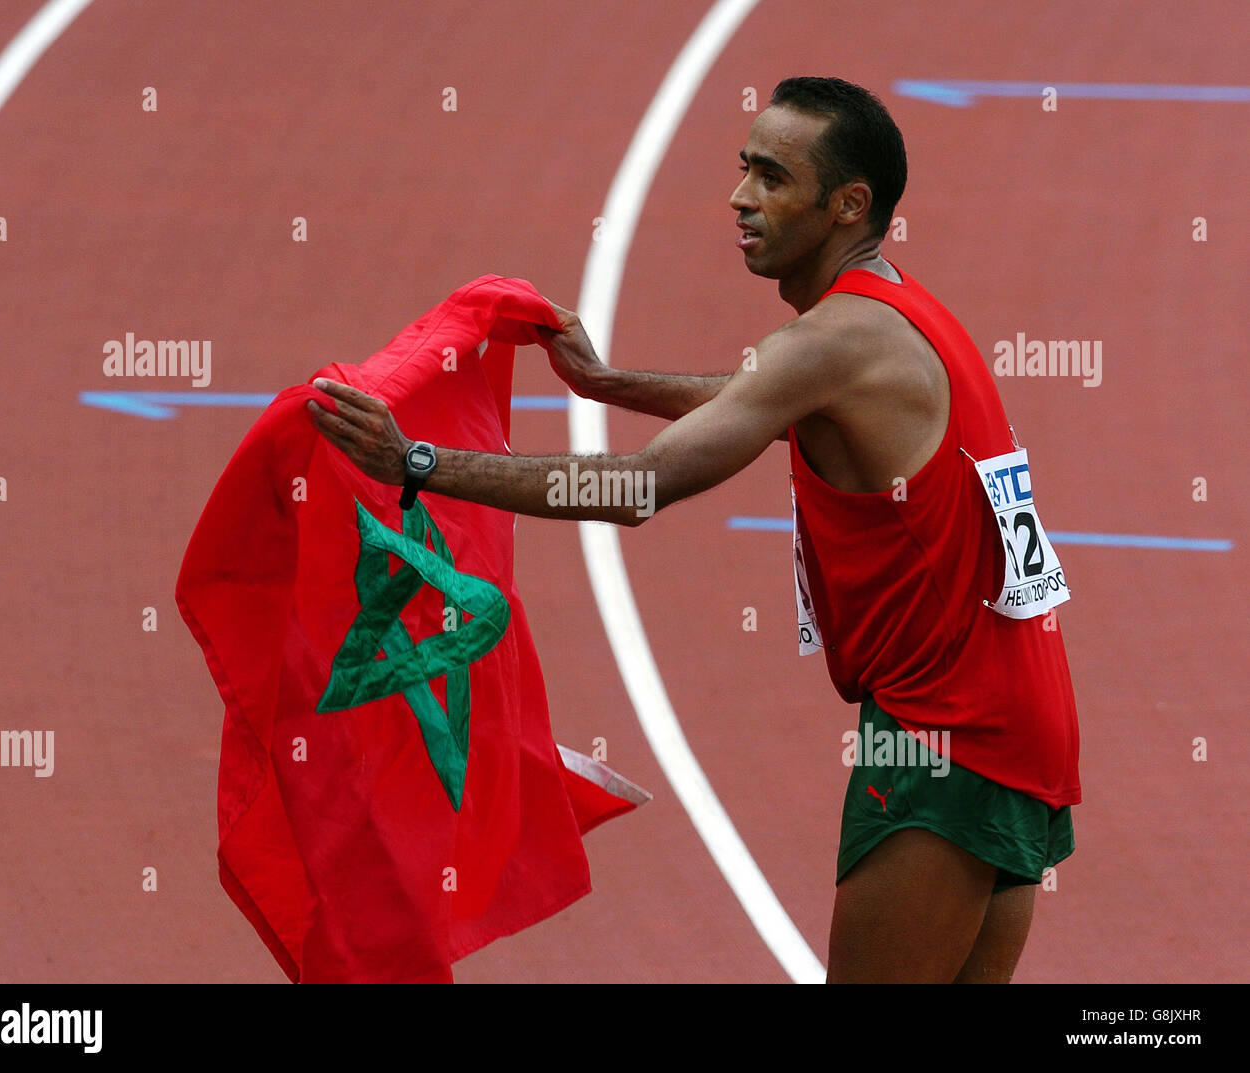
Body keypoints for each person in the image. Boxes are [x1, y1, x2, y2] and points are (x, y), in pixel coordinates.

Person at [308, 76, 1080, 984]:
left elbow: (642, 484)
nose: (740, 197)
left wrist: (422, 465)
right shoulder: (896, 315)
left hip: (943, 738)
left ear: (848, 204)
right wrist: (610, 383)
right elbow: (760, 397)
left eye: (771, 177)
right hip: (1022, 720)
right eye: (743, 168)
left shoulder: (829, 344)